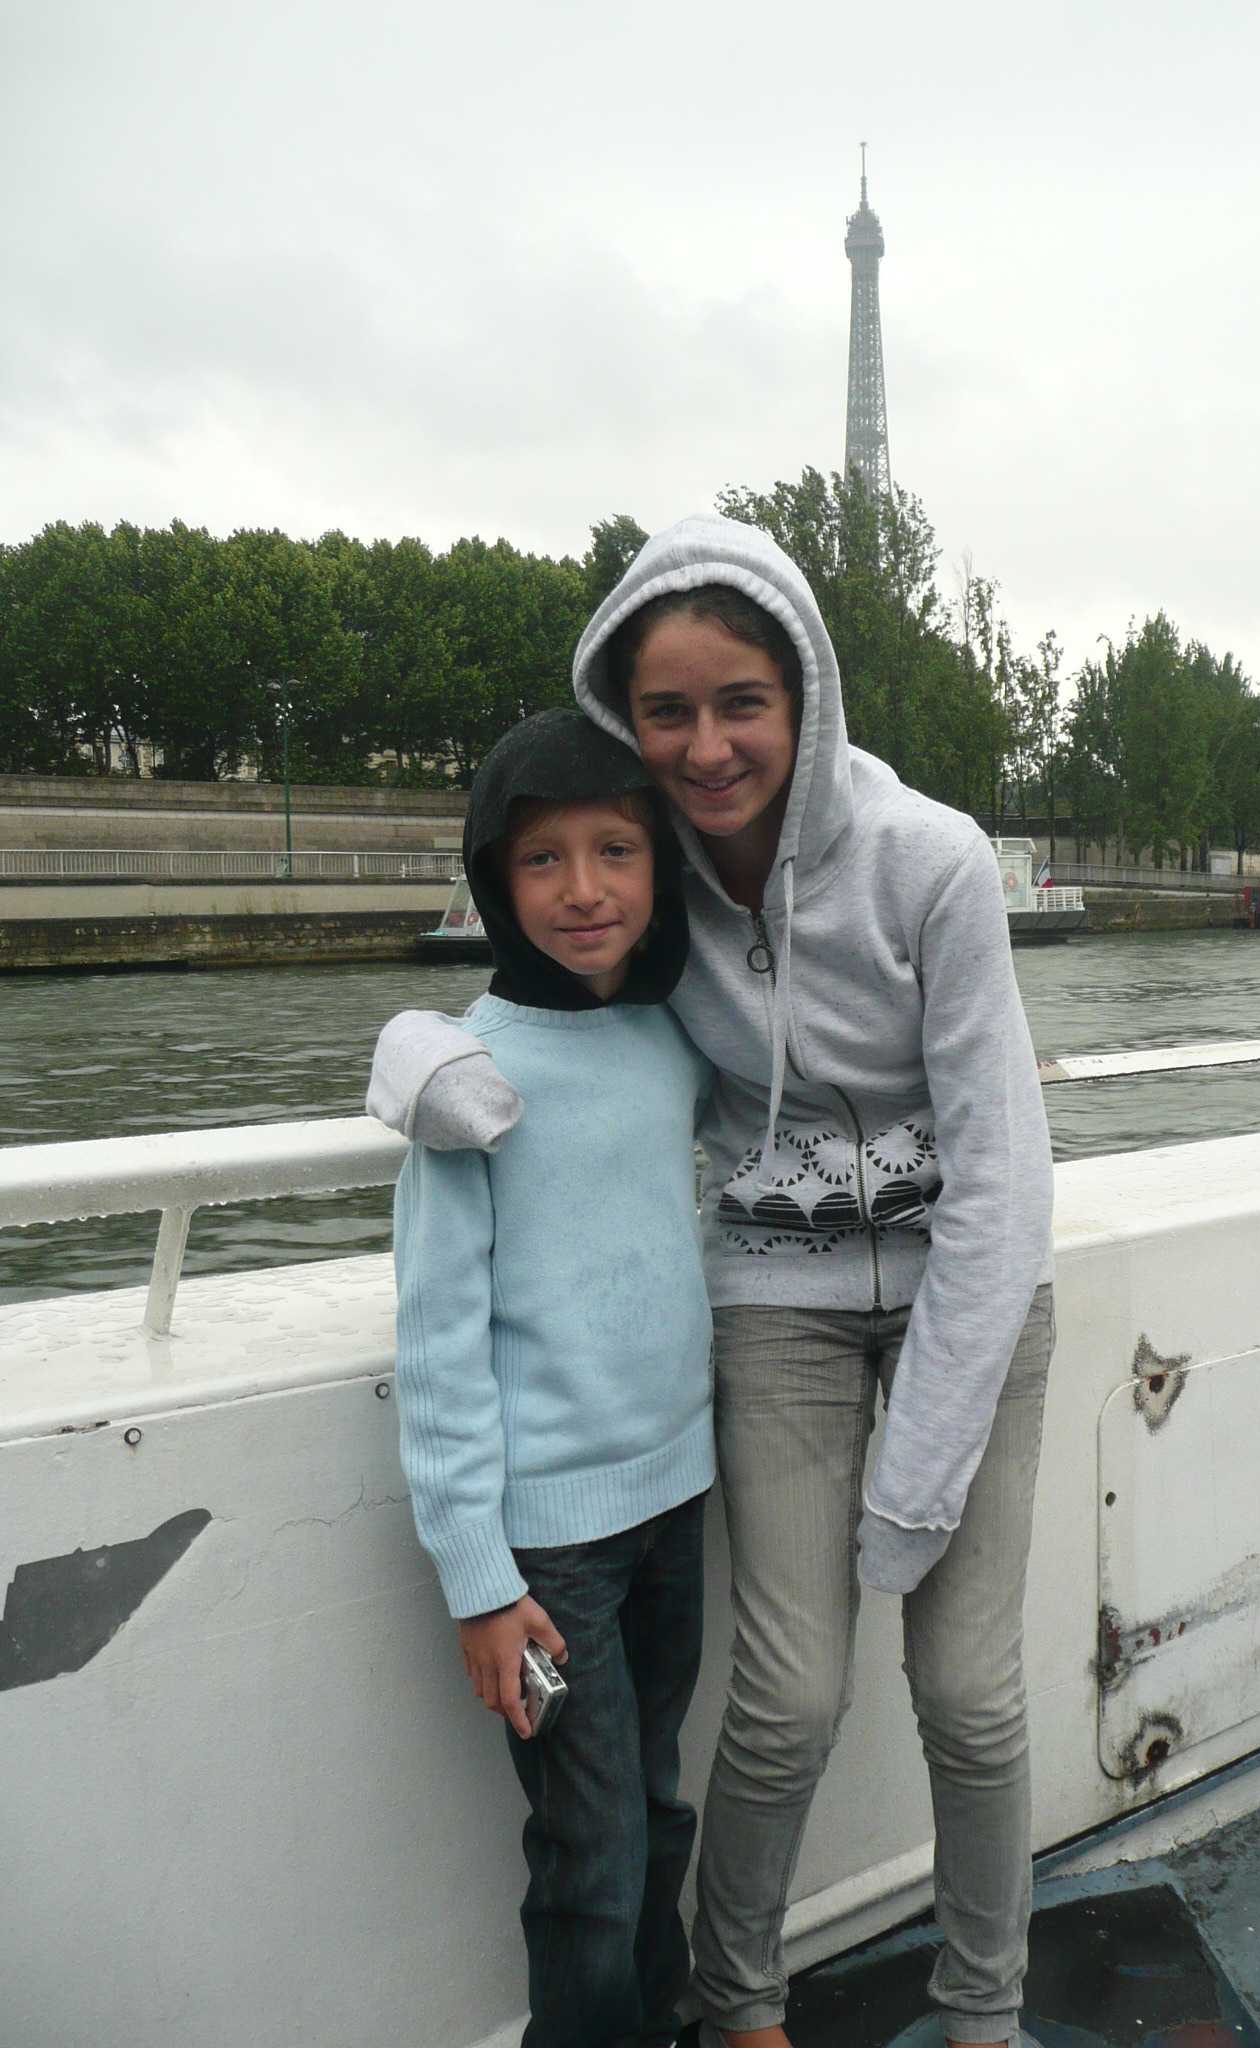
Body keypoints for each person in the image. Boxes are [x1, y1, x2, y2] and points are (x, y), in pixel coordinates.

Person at [373, 517, 1056, 2048]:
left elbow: (1005, 1184)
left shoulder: (931, 862)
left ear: (807, 692)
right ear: (626, 722)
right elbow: (553, 995)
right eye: (666, 712)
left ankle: (984, 2016)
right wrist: (413, 1054)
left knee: (970, 1696)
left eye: (743, 702)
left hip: (970, 1298)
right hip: (780, 1304)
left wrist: (917, 1480)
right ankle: (740, 2006)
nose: (707, 746)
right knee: (788, 1697)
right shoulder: (648, 865)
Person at [387, 707, 715, 2048]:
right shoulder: (465, 1080)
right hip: (548, 1554)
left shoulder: (670, 1036)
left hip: (677, 1503)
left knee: (658, 1806)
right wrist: (479, 1578)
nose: (584, 890)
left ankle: (662, 2020)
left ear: (659, 869)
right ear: (494, 880)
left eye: (616, 851)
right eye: (542, 859)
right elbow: (437, 1339)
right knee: (591, 1852)